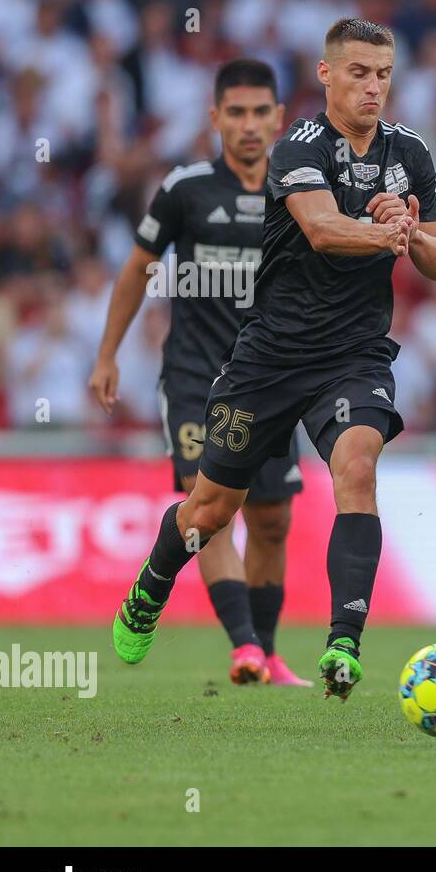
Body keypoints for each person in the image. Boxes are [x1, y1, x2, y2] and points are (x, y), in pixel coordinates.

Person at [109, 18, 436, 701]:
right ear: (326, 74)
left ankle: (343, 645)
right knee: (209, 511)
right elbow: (323, 231)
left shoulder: (410, 152)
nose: (373, 87)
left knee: (357, 467)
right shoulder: (298, 145)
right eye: (358, 72)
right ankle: (151, 586)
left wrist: (412, 231)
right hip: (269, 356)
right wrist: (386, 231)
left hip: (353, 354)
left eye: (384, 74)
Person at [89, 59, 309, 686]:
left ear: (278, 119)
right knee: (209, 506)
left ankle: (265, 652)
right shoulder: (186, 189)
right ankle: (242, 645)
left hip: (271, 383)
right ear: (215, 118)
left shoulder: (300, 193)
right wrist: (107, 353)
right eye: (234, 113)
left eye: (259, 112)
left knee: (273, 519)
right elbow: (136, 268)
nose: (247, 126)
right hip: (194, 380)